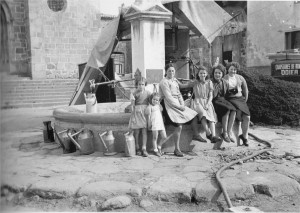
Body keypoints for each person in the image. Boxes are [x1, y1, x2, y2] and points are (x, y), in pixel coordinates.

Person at [159, 63, 198, 157]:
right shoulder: (164, 82)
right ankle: (177, 149)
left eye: (173, 71)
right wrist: (179, 107)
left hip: (178, 104)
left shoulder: (175, 80)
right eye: (169, 71)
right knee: (178, 125)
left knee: (193, 115)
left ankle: (196, 135)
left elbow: (179, 94)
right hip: (168, 105)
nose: (171, 72)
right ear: (166, 72)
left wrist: (182, 104)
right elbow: (169, 97)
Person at [188, 66, 222, 144]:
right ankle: (208, 133)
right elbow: (185, 85)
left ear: (206, 74)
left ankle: (213, 136)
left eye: (204, 73)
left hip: (207, 101)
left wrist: (208, 103)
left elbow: (211, 95)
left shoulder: (209, 82)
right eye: (201, 73)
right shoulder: (195, 82)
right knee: (203, 114)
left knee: (211, 117)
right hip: (197, 101)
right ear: (198, 74)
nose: (202, 75)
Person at [223, 62, 251, 146]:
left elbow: (245, 90)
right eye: (231, 69)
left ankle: (244, 136)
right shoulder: (224, 78)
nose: (233, 71)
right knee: (238, 114)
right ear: (228, 69)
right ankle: (230, 131)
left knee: (247, 116)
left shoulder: (240, 78)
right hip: (230, 99)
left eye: (235, 69)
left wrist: (245, 100)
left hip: (240, 99)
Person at [211, 64, 237, 143]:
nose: (217, 75)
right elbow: (213, 96)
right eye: (216, 73)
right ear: (213, 73)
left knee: (234, 110)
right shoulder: (211, 82)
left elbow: (226, 94)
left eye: (219, 73)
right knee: (226, 109)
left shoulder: (225, 82)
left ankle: (229, 132)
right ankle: (224, 133)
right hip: (214, 101)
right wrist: (216, 85)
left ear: (222, 74)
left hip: (223, 100)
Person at [128, 77, 152, 156]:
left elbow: (152, 102)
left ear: (145, 85)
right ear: (137, 85)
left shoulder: (148, 93)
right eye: (139, 84)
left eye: (142, 84)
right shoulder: (134, 93)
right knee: (137, 131)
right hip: (137, 112)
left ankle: (144, 148)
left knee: (144, 131)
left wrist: (149, 107)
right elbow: (132, 105)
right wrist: (133, 116)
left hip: (145, 113)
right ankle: (137, 147)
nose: (141, 86)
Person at [145, 92, 167, 157]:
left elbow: (161, 110)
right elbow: (148, 117)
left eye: (157, 100)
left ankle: (159, 146)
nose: (155, 101)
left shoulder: (158, 106)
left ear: (159, 101)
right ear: (151, 99)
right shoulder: (150, 107)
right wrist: (149, 125)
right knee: (155, 137)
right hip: (154, 124)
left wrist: (159, 104)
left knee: (164, 136)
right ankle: (155, 150)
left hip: (160, 123)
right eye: (154, 99)